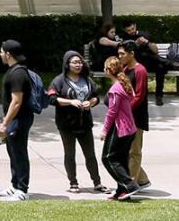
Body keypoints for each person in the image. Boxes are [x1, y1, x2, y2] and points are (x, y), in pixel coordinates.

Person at [50, 49, 106, 193]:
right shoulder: (59, 80)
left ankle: (97, 183)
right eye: (75, 62)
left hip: (85, 123)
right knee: (70, 154)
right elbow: (51, 98)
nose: (78, 65)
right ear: (67, 64)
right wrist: (70, 102)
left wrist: (90, 103)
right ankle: (73, 183)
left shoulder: (87, 79)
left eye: (80, 62)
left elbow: (96, 97)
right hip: (66, 124)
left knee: (90, 155)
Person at [0, 39, 33, 200]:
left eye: (2, 51)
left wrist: (5, 123)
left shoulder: (18, 73)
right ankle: (14, 184)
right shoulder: (14, 70)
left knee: (19, 153)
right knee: (12, 152)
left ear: (8, 54)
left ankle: (22, 190)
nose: (0, 54)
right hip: (13, 119)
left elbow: (16, 101)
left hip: (19, 119)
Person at [101, 56, 141, 200]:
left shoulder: (115, 89)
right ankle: (122, 192)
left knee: (107, 158)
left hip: (120, 128)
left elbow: (112, 112)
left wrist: (105, 130)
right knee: (121, 160)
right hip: (130, 128)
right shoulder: (124, 84)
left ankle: (129, 185)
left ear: (108, 71)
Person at [115, 40, 151, 190]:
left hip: (136, 117)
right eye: (118, 54)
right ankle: (142, 180)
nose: (119, 56)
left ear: (132, 54)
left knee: (134, 152)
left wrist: (125, 109)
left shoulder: (140, 70)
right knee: (125, 151)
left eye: (122, 54)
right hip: (125, 116)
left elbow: (139, 95)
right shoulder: (124, 69)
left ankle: (129, 185)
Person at [118, 21, 164, 105]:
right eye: (129, 30)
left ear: (135, 26)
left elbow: (156, 51)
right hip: (136, 64)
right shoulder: (124, 38)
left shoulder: (145, 34)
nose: (131, 31)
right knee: (143, 56)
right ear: (125, 30)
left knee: (160, 67)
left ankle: (159, 96)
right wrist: (135, 44)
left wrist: (147, 42)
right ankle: (168, 63)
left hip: (150, 62)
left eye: (133, 28)